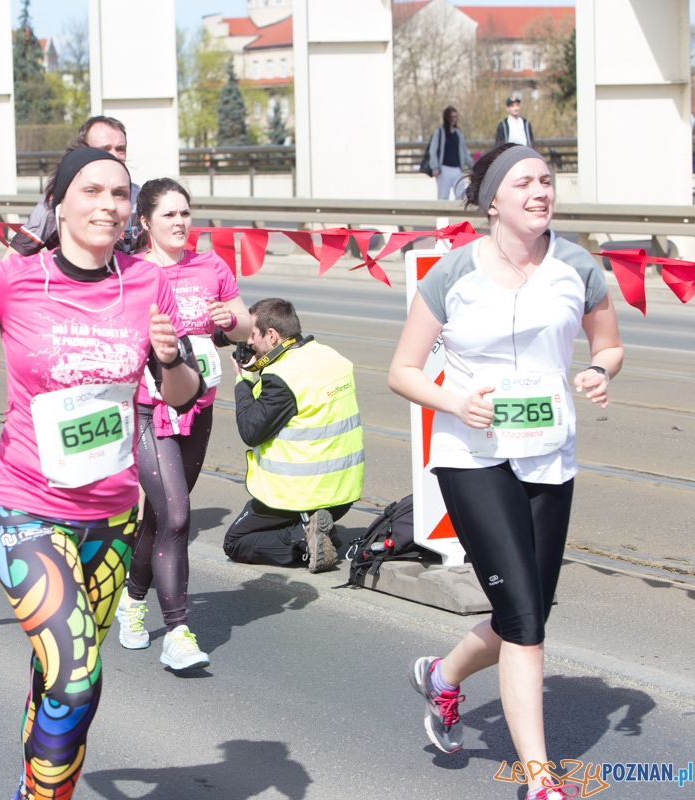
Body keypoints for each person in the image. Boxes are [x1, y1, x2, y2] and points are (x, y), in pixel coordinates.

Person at [0, 147, 203, 800]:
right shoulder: (16, 277)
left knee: (57, 678)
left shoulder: (147, 282)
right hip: (24, 510)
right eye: (91, 191)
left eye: (119, 194)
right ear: (59, 202)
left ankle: (32, 788)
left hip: (113, 519)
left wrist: (170, 359)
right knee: (76, 679)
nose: (108, 205)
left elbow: (179, 393)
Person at [388, 144, 622, 800]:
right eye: (523, 182)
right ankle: (540, 781)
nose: (540, 191)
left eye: (546, 180)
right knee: (522, 618)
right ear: (493, 200)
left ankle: (441, 675)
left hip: (550, 455)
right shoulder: (453, 274)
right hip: (473, 456)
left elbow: (609, 343)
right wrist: (455, 401)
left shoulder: (578, 266)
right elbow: (402, 370)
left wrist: (598, 371)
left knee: (528, 613)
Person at [114, 178, 251, 671]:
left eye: (185, 213)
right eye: (168, 215)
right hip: (149, 409)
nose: (179, 222)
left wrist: (228, 320)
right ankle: (177, 631)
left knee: (161, 516)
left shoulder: (211, 266)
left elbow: (244, 325)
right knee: (176, 514)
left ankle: (132, 598)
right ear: (145, 222)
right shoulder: (130, 271)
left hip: (199, 405)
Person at [221, 299, 364, 573]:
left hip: (298, 494)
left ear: (272, 335)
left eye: (252, 334)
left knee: (236, 542)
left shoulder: (282, 376)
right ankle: (316, 530)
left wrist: (243, 380)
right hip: (342, 494)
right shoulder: (332, 357)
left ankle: (303, 539)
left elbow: (251, 430)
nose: (247, 342)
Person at [6, 116, 145, 258]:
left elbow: (145, 255)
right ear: (81, 151)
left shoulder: (137, 196)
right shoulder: (58, 202)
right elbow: (10, 262)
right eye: (105, 149)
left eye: (120, 149)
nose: (115, 156)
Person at [427, 106, 470, 201]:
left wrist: (472, 165)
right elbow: (433, 150)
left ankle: (457, 211)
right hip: (444, 168)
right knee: (443, 196)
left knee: (461, 194)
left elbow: (464, 151)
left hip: (457, 168)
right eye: (452, 117)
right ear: (447, 118)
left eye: (456, 117)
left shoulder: (458, 132)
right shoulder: (439, 131)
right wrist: (434, 167)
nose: (455, 119)